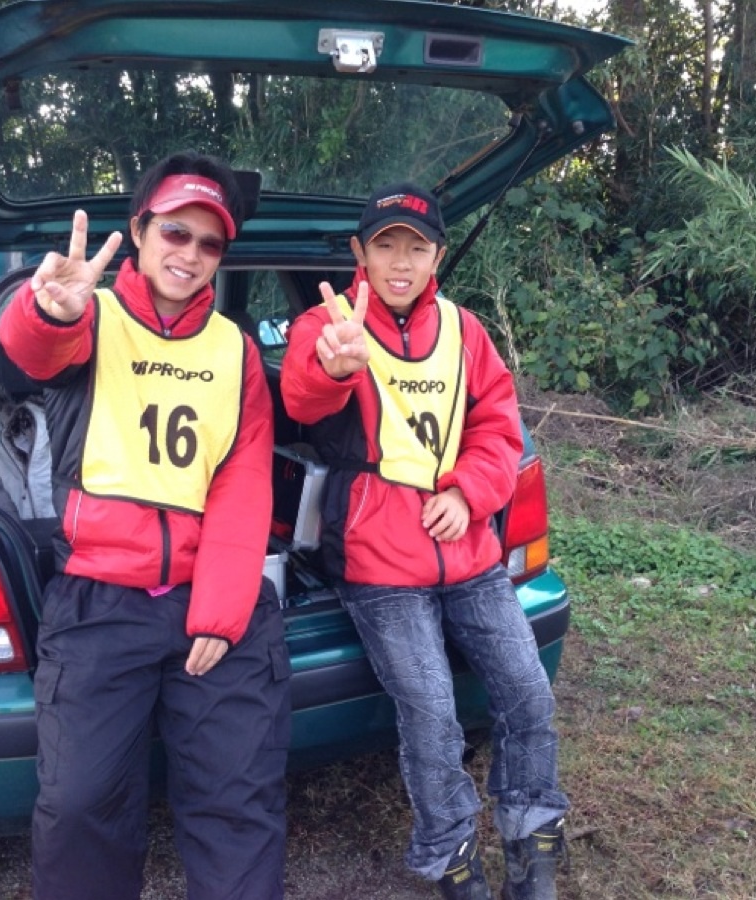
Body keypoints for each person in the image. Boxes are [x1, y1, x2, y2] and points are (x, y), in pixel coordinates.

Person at [0, 151, 290, 900]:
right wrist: (48, 309)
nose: (190, 253)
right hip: (98, 602)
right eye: (175, 232)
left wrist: (221, 612)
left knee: (237, 804)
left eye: (209, 243)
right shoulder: (91, 316)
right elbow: (33, 349)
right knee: (78, 806)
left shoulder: (236, 351)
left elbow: (243, 480)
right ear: (138, 231)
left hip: (212, 604)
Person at [279, 183, 570, 900]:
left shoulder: (466, 330)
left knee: (528, 694)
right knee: (434, 713)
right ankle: (451, 855)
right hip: (380, 567)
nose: (401, 262)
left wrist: (469, 492)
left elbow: (498, 427)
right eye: (386, 246)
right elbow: (301, 397)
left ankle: (533, 839)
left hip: (470, 554)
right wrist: (335, 367)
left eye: (417, 247)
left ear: (437, 255)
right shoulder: (328, 324)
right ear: (361, 253)